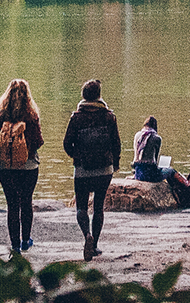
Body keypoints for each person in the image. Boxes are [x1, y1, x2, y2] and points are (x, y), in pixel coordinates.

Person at [62, 78, 120, 261]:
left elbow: (66, 143)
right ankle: (94, 246)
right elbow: (116, 143)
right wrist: (115, 162)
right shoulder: (109, 116)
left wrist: (77, 156)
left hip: (83, 169)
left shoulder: (76, 118)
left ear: (83, 96)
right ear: (99, 96)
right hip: (104, 169)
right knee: (98, 207)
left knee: (81, 207)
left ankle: (87, 234)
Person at [0, 78, 44, 254]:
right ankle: (26, 240)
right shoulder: (31, 115)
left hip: (6, 167)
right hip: (28, 167)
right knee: (26, 202)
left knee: (12, 204)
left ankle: (14, 244)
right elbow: (38, 142)